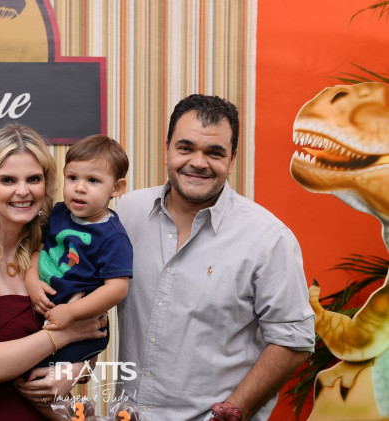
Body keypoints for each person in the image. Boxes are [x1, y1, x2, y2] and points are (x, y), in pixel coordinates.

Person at [115, 94, 315, 421]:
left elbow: (294, 340)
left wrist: (234, 410)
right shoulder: (126, 214)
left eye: (214, 152)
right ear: (167, 149)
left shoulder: (268, 239)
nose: (198, 162)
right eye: (185, 148)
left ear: (232, 159)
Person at [0, 123, 107, 421]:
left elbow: (94, 327)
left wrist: (77, 369)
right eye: (8, 180)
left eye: (33, 179)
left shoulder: (54, 245)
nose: (23, 191)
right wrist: (62, 335)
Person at [25, 134, 132, 367]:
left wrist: (72, 312)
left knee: (45, 378)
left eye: (93, 180)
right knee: (22, 365)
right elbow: (38, 249)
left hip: (82, 324)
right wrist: (31, 280)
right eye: (72, 178)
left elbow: (117, 289)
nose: (79, 188)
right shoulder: (59, 212)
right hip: (45, 310)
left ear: (116, 188)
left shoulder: (113, 237)